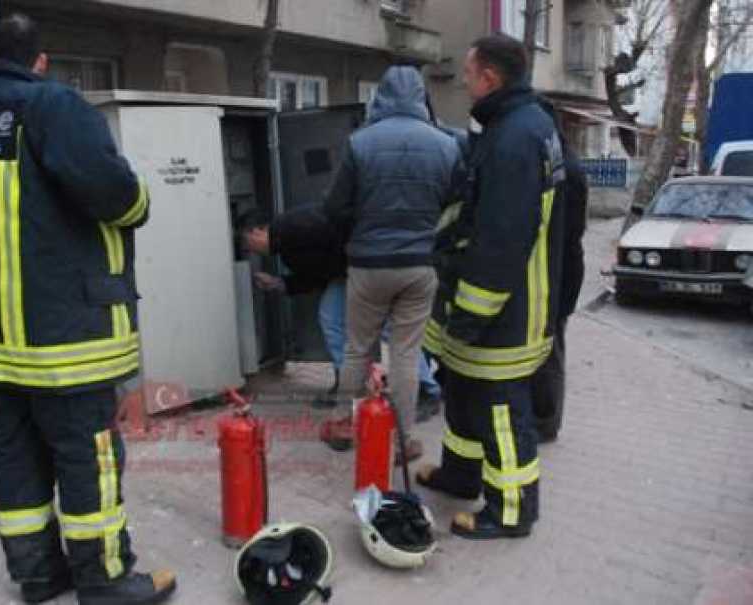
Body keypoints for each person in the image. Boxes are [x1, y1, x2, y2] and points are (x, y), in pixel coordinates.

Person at [0, 14, 176, 605]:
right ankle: (104, 581)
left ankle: (39, 575)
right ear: (40, 61)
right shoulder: (54, 107)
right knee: (87, 457)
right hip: (63, 338)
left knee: (15, 451)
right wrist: (140, 202)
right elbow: (117, 198)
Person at [415, 35, 566, 540]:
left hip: (504, 312)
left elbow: (500, 240)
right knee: (463, 393)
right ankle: (460, 476)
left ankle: (511, 512)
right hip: (492, 302)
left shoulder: (515, 138)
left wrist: (471, 314)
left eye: (468, 71)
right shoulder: (516, 125)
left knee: (500, 409)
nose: (463, 80)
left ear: (490, 77)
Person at [324, 65, 462, 463]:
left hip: (368, 263)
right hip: (419, 264)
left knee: (357, 348)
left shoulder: (359, 142)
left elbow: (334, 207)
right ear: (421, 97)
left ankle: (343, 425)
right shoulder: (446, 144)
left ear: (380, 95)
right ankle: (404, 441)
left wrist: (359, 228)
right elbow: (455, 202)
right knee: (405, 353)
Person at [239, 207, 443, 420]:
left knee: (389, 329)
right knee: (331, 317)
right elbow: (316, 275)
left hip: (368, 265)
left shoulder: (294, 225)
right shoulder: (286, 247)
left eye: (246, 242)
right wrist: (280, 283)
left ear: (258, 231)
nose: (248, 249)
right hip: (350, 272)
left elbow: (339, 228)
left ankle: (426, 391)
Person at [532, 99, 589, 444]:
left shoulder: (561, 168)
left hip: (560, 270)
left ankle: (546, 420)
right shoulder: (565, 162)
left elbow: (565, 231)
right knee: (551, 343)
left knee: (551, 347)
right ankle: (544, 415)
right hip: (564, 267)